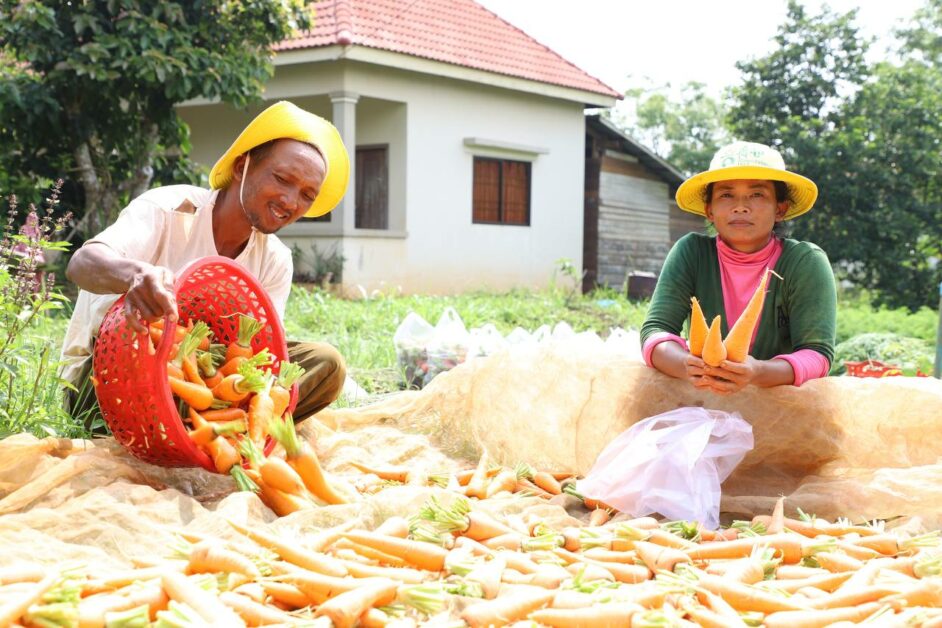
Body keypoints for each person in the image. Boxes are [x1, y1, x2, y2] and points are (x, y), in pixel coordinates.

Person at [62, 100, 349, 426]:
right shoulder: (168, 209)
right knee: (167, 383)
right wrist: (136, 275)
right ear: (241, 167)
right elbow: (82, 263)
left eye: (307, 195)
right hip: (108, 377)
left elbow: (264, 354)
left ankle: (217, 428)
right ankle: (218, 428)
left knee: (326, 364)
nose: (291, 201)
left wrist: (240, 383)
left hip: (205, 382)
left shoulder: (275, 260)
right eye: (282, 179)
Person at [640, 141, 836, 394]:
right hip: (703, 399)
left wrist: (759, 372)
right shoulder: (692, 253)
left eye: (757, 194)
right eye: (726, 195)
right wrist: (685, 365)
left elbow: (818, 354)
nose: (740, 206)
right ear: (709, 210)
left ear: (780, 209)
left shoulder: (805, 262)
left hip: (780, 406)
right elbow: (655, 331)